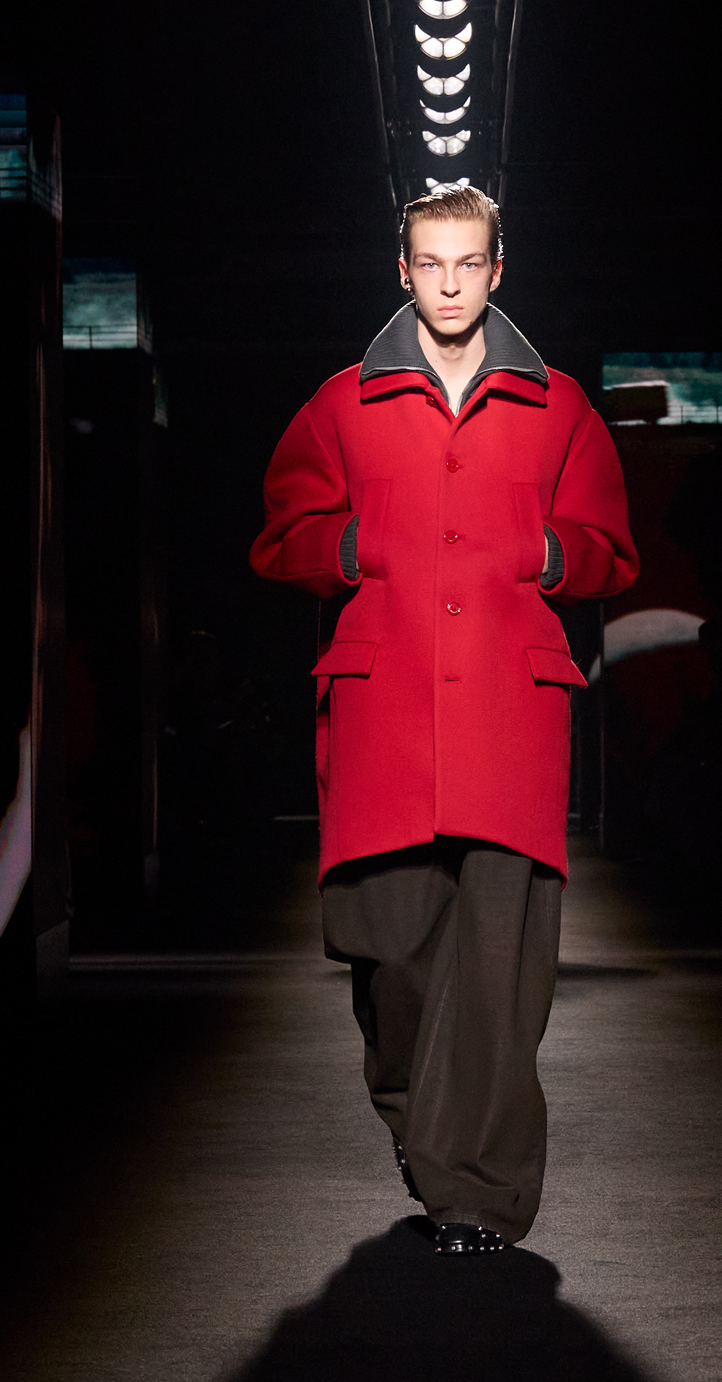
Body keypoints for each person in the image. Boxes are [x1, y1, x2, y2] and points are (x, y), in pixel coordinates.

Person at [250, 185, 638, 1254]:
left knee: (502, 971)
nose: (452, 283)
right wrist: (351, 545)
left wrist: (547, 553)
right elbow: (280, 535)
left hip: (513, 713)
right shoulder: (341, 404)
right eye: (432, 263)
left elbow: (610, 550)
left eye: (470, 263)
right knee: (391, 960)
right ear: (404, 270)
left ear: (498, 270)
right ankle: (421, 1120)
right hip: (386, 715)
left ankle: (479, 1195)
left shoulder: (559, 407)